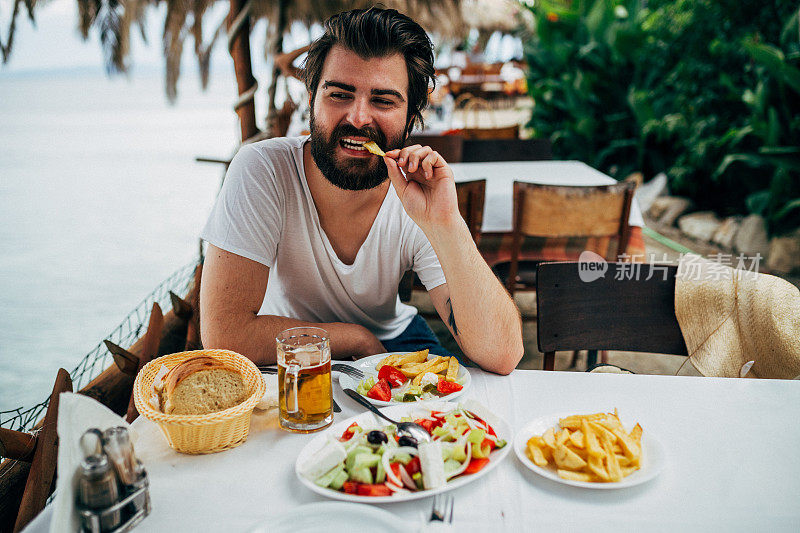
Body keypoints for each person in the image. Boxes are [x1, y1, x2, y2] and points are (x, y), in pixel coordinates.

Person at [199, 7, 523, 374]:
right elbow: (226, 335)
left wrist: (445, 223)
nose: (358, 118)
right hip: (283, 342)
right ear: (311, 98)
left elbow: (502, 354)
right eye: (339, 94)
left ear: (411, 114)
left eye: (383, 101)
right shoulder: (263, 170)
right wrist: (353, 338)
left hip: (397, 338)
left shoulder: (416, 192)